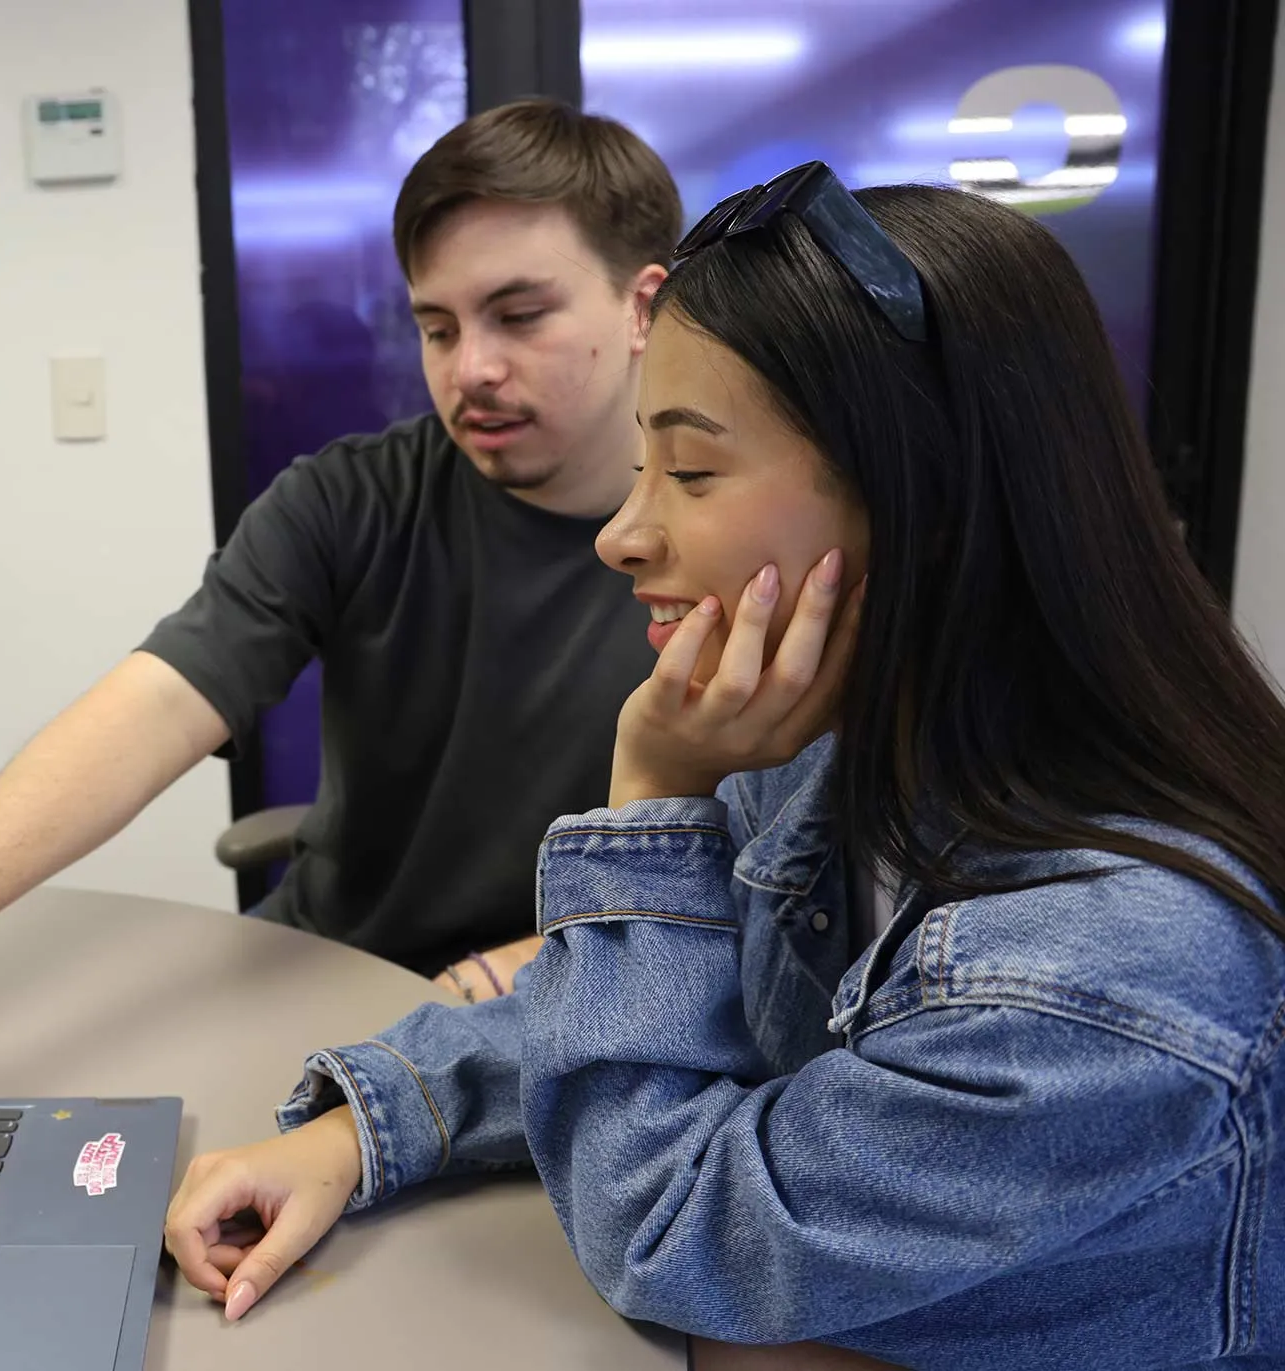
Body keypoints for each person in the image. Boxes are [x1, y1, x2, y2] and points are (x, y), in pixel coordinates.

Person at [161, 166, 1285, 1366]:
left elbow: (675, 1231)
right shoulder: (852, 769)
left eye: (690, 474)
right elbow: (663, 1010)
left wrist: (655, 799)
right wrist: (362, 1129)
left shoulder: (1108, 972)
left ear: (927, 506)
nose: (623, 533)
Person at [0, 100, 682, 1095]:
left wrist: (526, 969)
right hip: (324, 971)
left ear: (642, 308)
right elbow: (159, 699)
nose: (470, 369)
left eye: (520, 316)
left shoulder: (736, 545)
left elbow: (770, 867)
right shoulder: (351, 499)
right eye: (437, 328)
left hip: (563, 1012)